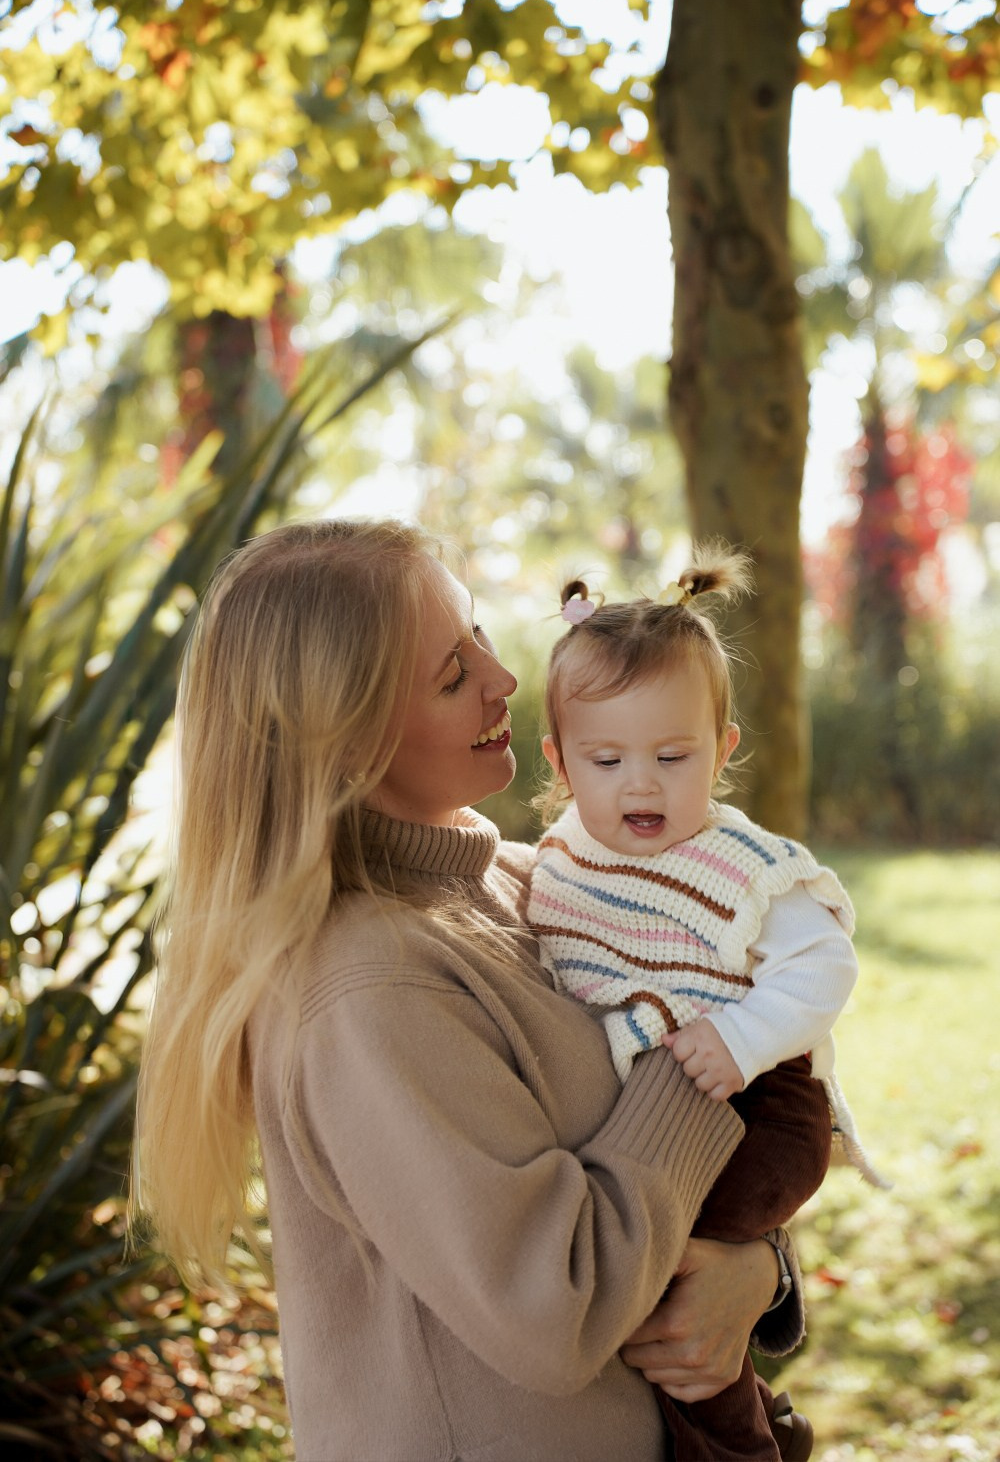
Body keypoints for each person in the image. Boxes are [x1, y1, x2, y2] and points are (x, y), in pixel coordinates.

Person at [135, 518, 810, 1462]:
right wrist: (697, 1053)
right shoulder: (371, 990)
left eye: (481, 636)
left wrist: (757, 1269)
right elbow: (556, 1309)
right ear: (347, 740)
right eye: (452, 674)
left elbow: (685, 1196)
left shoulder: (534, 885)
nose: (503, 679)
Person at [528, 542, 882, 1462]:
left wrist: (742, 1035)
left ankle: (737, 1444)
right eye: (605, 759)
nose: (640, 783)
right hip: (674, 1104)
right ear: (559, 761)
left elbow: (824, 970)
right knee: (660, 1278)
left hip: (761, 1101)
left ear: (722, 749)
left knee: (673, 1283)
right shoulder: (562, 858)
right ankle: (767, 1423)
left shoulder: (746, 867)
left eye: (673, 755)